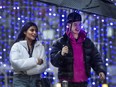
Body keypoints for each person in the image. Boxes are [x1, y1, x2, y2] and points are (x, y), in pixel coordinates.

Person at [50, 12, 106, 87]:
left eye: (79, 24)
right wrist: (61, 54)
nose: (78, 27)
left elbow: (95, 58)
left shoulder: (87, 42)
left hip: (83, 83)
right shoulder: (61, 42)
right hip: (67, 83)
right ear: (69, 25)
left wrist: (100, 71)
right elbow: (54, 61)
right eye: (75, 24)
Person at [10, 22, 47, 87]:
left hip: (36, 80)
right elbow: (16, 64)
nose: (34, 33)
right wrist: (35, 61)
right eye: (32, 30)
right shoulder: (17, 46)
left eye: (36, 31)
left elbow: (43, 66)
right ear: (25, 32)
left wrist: (25, 71)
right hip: (20, 79)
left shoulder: (40, 46)